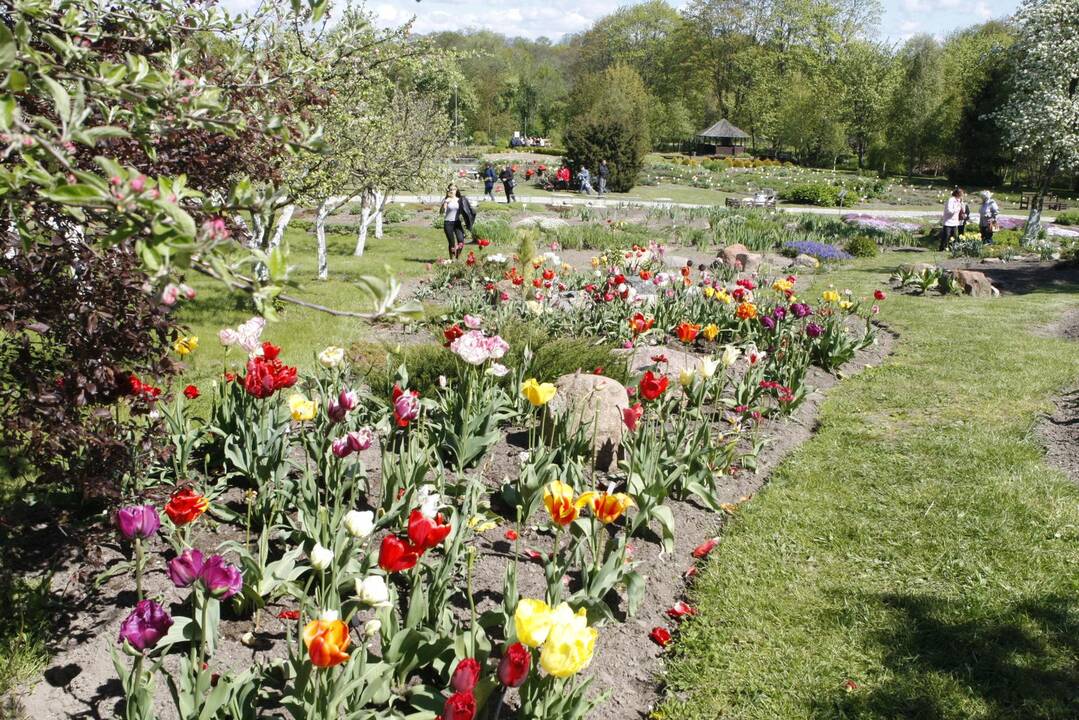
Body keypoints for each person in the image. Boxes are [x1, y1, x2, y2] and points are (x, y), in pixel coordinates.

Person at [439, 184, 474, 259]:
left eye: (454, 189)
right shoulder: (446, 200)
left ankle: (457, 257)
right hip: (448, 223)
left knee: (461, 241)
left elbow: (466, 210)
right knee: (452, 243)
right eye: (450, 189)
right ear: (448, 190)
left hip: (457, 223)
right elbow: (441, 212)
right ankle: (452, 259)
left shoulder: (460, 200)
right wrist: (445, 202)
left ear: (456, 190)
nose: (452, 191)